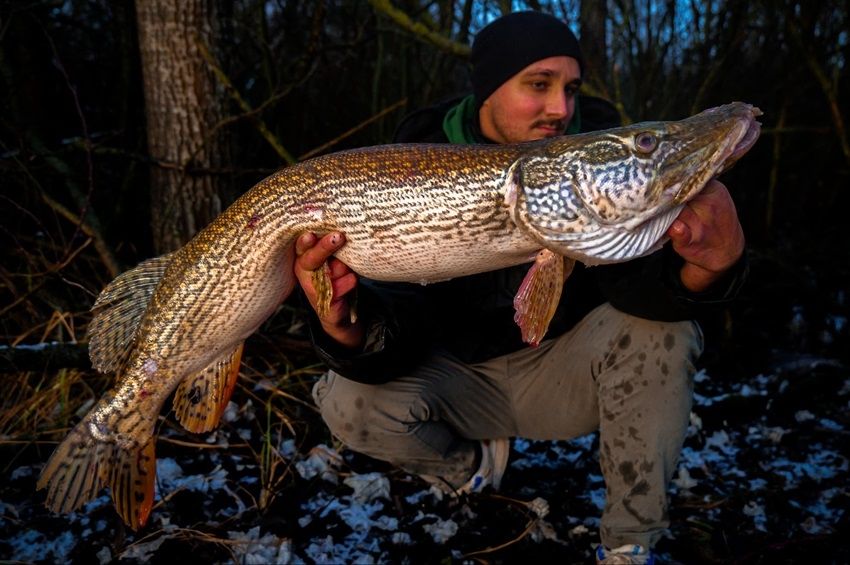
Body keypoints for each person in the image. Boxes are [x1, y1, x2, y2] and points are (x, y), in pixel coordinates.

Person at [293, 11, 746, 565]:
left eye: (571, 88)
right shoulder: (407, 160)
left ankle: (631, 544)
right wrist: (344, 328)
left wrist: (712, 265)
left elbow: (640, 298)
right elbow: (402, 322)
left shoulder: (590, 162)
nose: (561, 108)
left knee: (663, 335)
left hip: (560, 376)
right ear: (488, 89)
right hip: (455, 381)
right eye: (539, 84)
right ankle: (476, 469)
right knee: (346, 398)